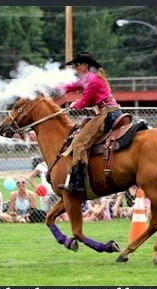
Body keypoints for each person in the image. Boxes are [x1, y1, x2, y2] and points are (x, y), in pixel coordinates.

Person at [57, 51, 122, 193]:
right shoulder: (90, 78)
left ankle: (78, 181)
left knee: (80, 142)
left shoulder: (92, 80)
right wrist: (53, 86)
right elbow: (71, 86)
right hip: (110, 112)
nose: (74, 68)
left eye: (77, 65)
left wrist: (75, 104)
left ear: (85, 65)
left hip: (107, 114)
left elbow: (85, 101)